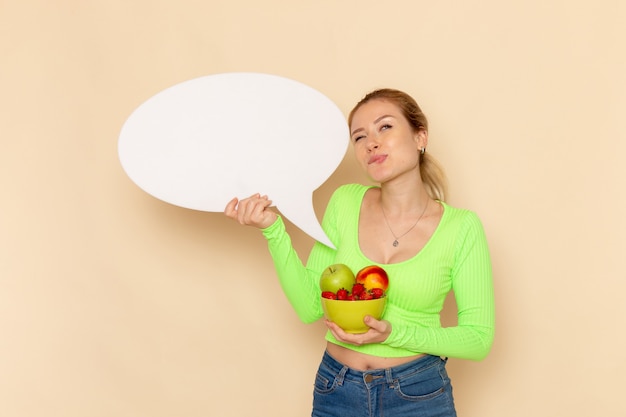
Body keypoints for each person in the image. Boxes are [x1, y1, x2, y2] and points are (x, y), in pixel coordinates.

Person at [224, 88, 495, 417]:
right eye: (359, 136)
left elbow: (478, 339)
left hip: (418, 395)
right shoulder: (345, 202)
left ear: (420, 136)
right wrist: (273, 229)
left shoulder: (461, 227)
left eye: (385, 127)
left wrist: (395, 334)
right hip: (336, 389)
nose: (372, 143)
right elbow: (311, 307)